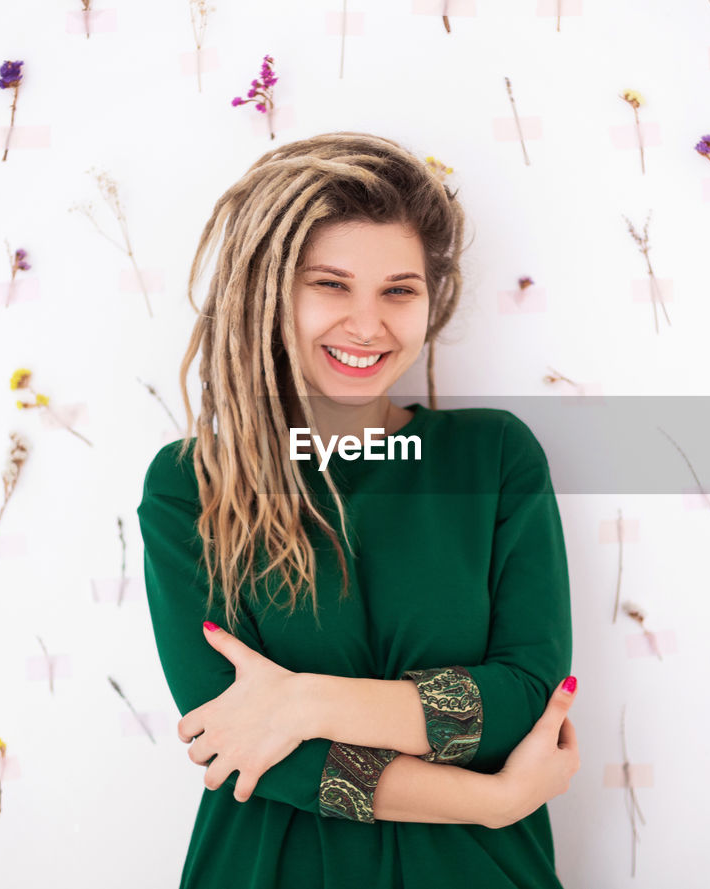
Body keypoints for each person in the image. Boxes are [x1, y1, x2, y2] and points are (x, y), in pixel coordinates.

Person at [137, 132, 579, 889]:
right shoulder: (192, 485)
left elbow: (522, 699)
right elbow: (236, 736)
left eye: (398, 290)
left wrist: (304, 699)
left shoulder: (494, 458)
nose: (368, 325)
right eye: (331, 284)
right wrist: (495, 796)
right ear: (269, 288)